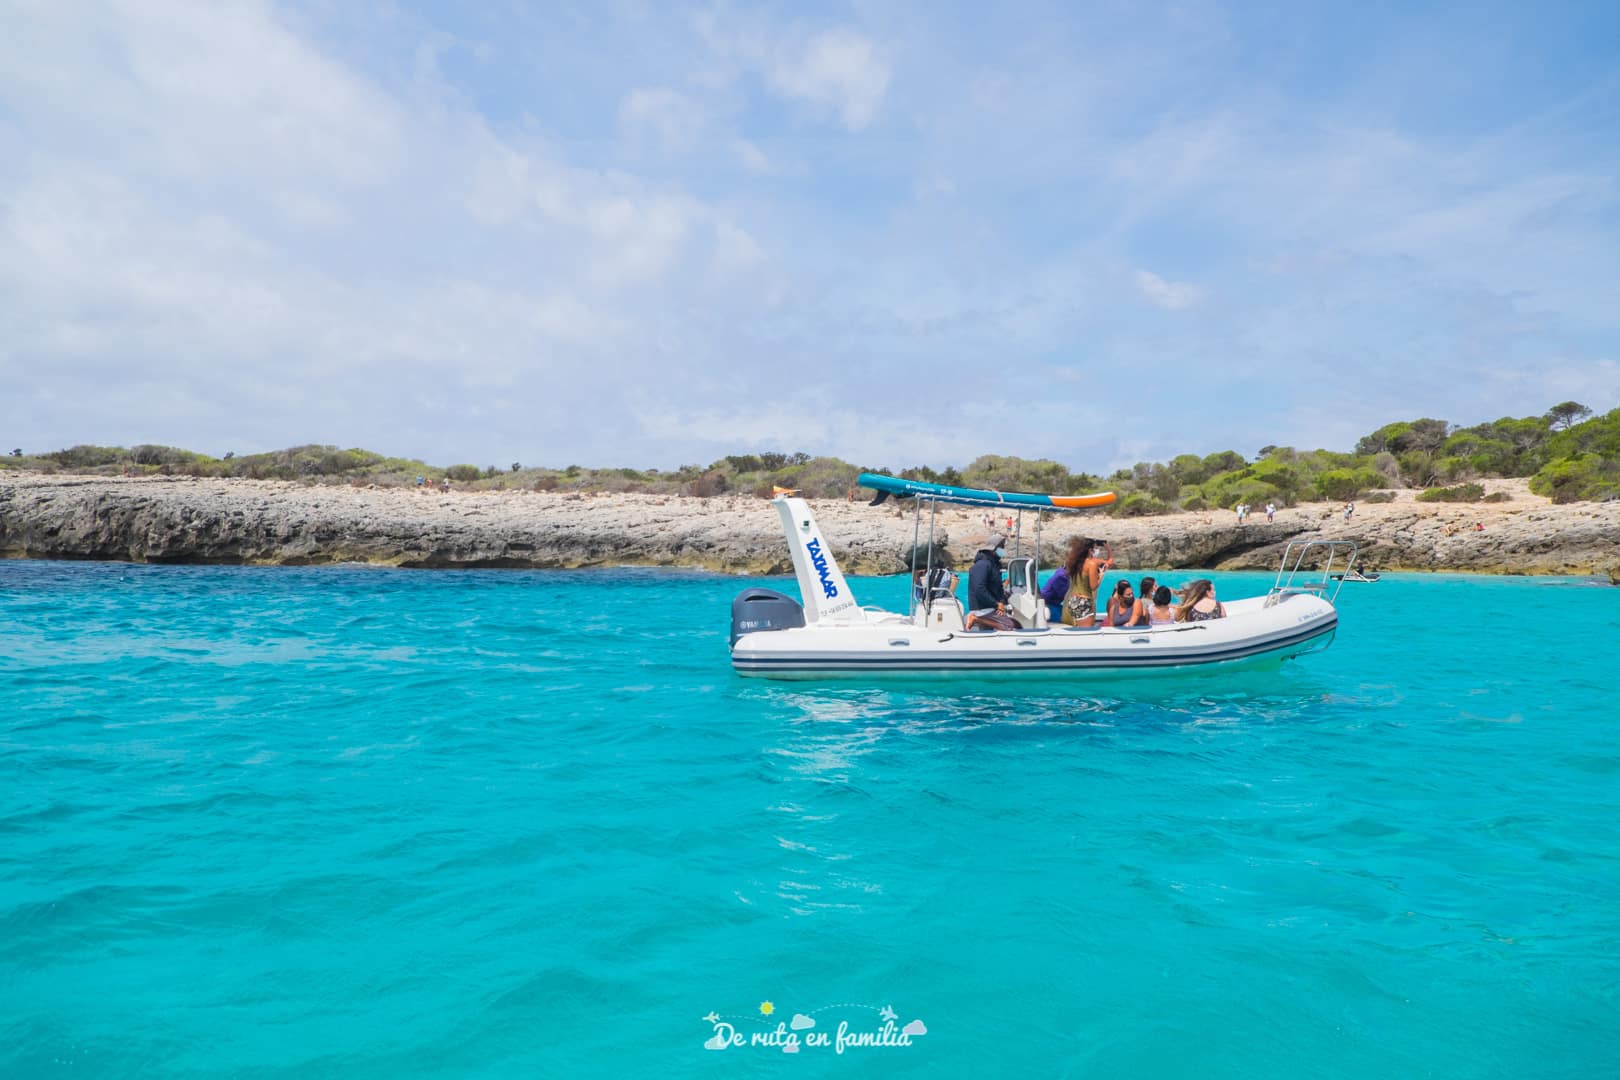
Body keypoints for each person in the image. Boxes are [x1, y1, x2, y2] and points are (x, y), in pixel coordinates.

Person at [965, 534, 1015, 630]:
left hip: (990, 607)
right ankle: (976, 619)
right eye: (1001, 547)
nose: (1003, 550)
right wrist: (996, 604)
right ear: (993, 549)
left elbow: (997, 588)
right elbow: (979, 588)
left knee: (987, 631)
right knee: (1009, 626)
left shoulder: (993, 565)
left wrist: (1000, 603)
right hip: (982, 608)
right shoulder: (982, 565)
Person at [1063, 539, 1110, 627]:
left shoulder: (1074, 563)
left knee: (1077, 631)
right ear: (1089, 550)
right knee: (1086, 634)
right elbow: (1093, 587)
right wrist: (1101, 575)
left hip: (1073, 600)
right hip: (1084, 601)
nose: (1095, 551)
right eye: (1094, 549)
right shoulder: (1091, 564)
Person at [1040, 539, 1084, 623]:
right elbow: (1068, 596)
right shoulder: (1062, 577)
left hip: (1054, 604)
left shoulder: (1062, 570)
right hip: (1049, 605)